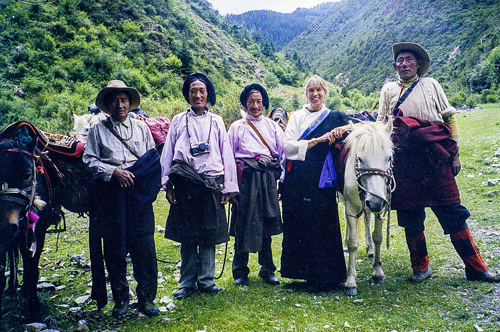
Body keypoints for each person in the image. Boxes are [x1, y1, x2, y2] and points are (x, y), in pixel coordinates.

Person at [377, 42, 500, 283]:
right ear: (395, 66)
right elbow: (382, 124)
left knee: (452, 211)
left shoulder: (431, 84)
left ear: (418, 64)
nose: (404, 64)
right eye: (400, 61)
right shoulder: (389, 90)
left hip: (435, 157)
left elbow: (449, 116)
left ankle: (476, 267)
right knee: (411, 216)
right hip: (404, 162)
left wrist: (455, 153)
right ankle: (421, 267)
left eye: (409, 60)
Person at [83, 80, 161, 318]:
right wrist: (113, 172)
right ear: (108, 104)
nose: (120, 105)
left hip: (138, 196)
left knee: (145, 246)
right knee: (115, 248)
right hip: (111, 196)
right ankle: (121, 300)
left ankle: (146, 299)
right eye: (115, 100)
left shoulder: (142, 128)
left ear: (130, 103)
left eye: (124, 100)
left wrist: (140, 178)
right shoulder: (98, 130)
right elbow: (89, 160)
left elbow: (151, 158)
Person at [160, 73, 239, 300]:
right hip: (184, 184)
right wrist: (168, 185)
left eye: (202, 91)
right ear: (188, 94)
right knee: (187, 236)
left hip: (211, 184)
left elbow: (226, 154)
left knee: (208, 234)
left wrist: (227, 187)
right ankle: (186, 283)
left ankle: (207, 281)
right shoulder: (177, 120)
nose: (197, 95)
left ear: (208, 94)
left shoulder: (216, 121)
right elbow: (168, 154)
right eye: (193, 91)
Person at [280, 75, 351, 290]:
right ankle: (301, 273)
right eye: (311, 90)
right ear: (306, 94)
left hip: (323, 177)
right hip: (299, 176)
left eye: (319, 90)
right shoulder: (297, 117)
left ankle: (328, 275)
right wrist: (316, 141)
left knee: (323, 221)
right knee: (300, 221)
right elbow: (287, 146)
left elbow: (355, 129)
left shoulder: (335, 116)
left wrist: (341, 130)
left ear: (325, 93)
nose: (315, 94)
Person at [227, 84, 285, 287]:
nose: (255, 105)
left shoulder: (273, 127)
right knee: (242, 223)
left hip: (267, 181)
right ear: (245, 103)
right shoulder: (236, 127)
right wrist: (230, 187)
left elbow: (282, 155)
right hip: (245, 181)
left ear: (264, 103)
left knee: (267, 224)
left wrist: (281, 182)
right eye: (251, 101)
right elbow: (228, 158)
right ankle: (240, 271)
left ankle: (267, 269)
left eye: (259, 101)